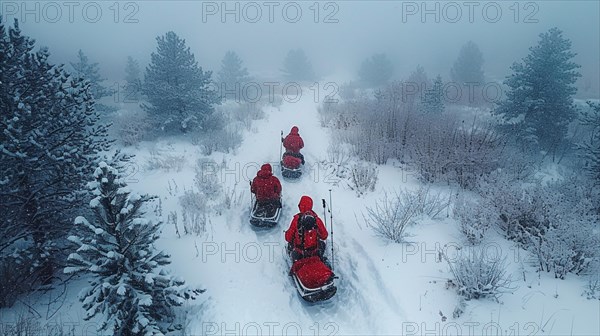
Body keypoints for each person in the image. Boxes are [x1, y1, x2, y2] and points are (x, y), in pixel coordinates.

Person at [285, 195, 328, 261]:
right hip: (315, 253)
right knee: (322, 244)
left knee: (290, 244)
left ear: (300, 205)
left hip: (299, 254)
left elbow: (288, 238)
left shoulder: (296, 219)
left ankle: (296, 260)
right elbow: (324, 236)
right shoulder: (316, 219)